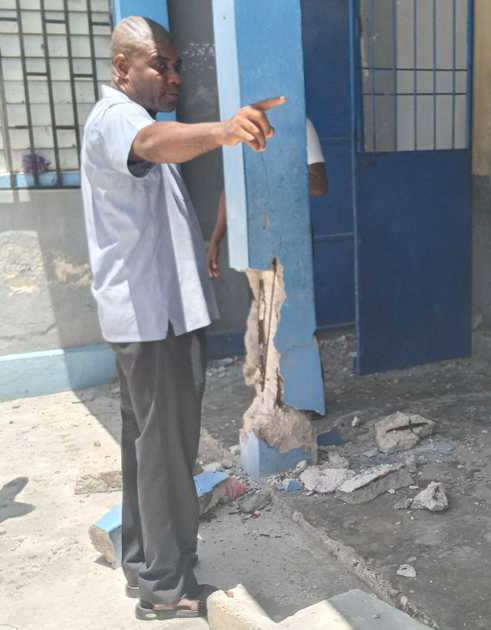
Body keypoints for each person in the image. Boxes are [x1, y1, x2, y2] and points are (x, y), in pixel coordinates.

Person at [80, 16, 284, 620]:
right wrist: (224, 131)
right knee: (167, 452)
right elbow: (152, 145)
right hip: (151, 320)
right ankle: (167, 589)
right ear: (123, 67)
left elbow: (155, 146)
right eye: (159, 65)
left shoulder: (131, 119)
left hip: (147, 319)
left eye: (175, 65)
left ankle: (147, 563)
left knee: (148, 447)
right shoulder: (122, 120)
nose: (173, 77)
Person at [206, 117, 327, 278]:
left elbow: (320, 186)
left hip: (293, 234)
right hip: (253, 236)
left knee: (293, 291)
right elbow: (230, 190)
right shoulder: (240, 126)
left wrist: (276, 171)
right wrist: (215, 241)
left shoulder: (300, 123)